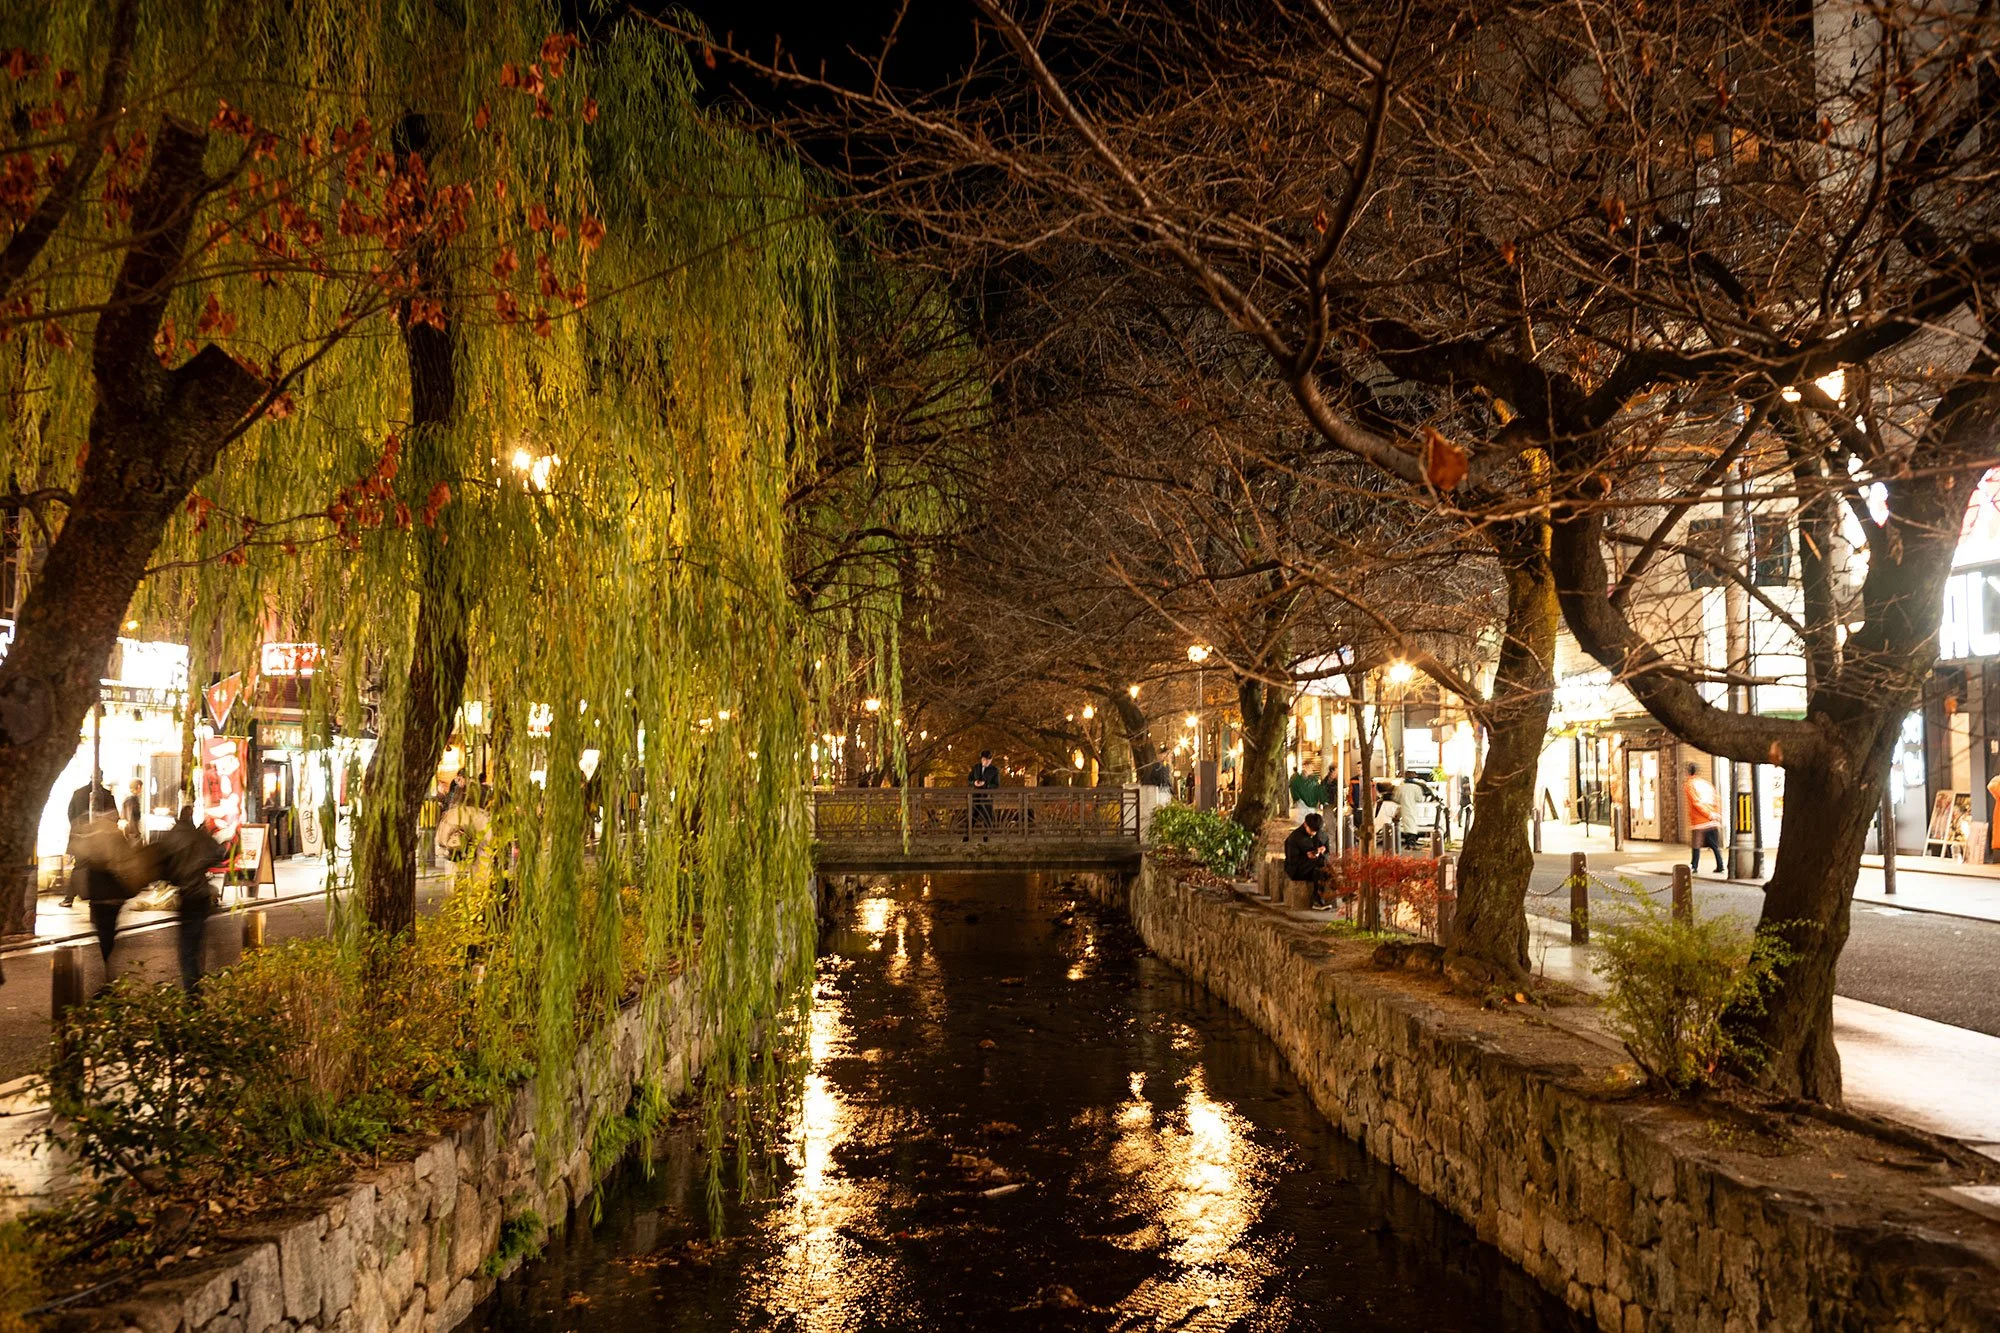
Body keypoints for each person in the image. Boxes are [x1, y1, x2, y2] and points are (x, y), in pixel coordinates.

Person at [157, 806, 225, 992]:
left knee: (188, 948)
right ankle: (195, 987)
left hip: (186, 895)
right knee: (195, 943)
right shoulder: (197, 836)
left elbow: (162, 865)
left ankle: (192, 991)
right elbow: (218, 853)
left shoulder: (173, 837)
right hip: (200, 893)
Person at [71, 805, 137, 973]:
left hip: (97, 893)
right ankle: (106, 962)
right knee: (108, 930)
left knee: (102, 929)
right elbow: (127, 861)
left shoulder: (91, 837)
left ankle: (105, 961)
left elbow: (79, 858)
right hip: (113, 893)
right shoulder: (117, 837)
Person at [62, 779, 116, 907]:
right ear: (101, 779)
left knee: (79, 867)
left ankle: (69, 898)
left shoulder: (78, 793)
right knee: (100, 867)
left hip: (81, 838)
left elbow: (70, 813)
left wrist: (78, 828)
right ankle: (97, 897)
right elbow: (114, 817)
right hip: (101, 839)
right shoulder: (107, 795)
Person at [1283, 811, 1334, 909]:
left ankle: (1320, 900)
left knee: (1321, 868)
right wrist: (1307, 856)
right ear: (1305, 824)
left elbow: (1327, 852)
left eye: (1316, 831)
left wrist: (1322, 850)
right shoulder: (1295, 838)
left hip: (1316, 867)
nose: (1314, 833)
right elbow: (1292, 860)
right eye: (1311, 830)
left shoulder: (1321, 834)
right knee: (1321, 864)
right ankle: (1319, 899)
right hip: (1297, 868)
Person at [1685, 762, 1724, 873]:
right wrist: (1716, 814)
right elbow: (1716, 798)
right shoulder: (1706, 784)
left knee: (1696, 845)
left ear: (1688, 772)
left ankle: (1694, 866)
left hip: (1699, 821)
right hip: (1712, 820)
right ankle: (1720, 865)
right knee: (1714, 845)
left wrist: (1708, 814)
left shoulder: (1689, 784)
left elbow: (1695, 802)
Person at [968, 749, 1001, 836]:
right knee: (973, 815)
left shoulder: (994, 770)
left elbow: (996, 784)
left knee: (987, 816)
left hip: (987, 797)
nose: (987, 762)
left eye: (989, 760)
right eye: (985, 760)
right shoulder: (976, 767)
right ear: (981, 759)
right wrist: (974, 783)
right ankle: (968, 835)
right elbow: (969, 779)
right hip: (976, 796)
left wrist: (986, 784)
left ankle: (987, 836)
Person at [121, 779, 146, 843]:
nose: (142, 790)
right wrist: (135, 833)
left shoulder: (129, 798)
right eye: (142, 787)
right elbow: (130, 817)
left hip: (131, 833)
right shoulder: (132, 799)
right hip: (132, 835)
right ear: (138, 786)